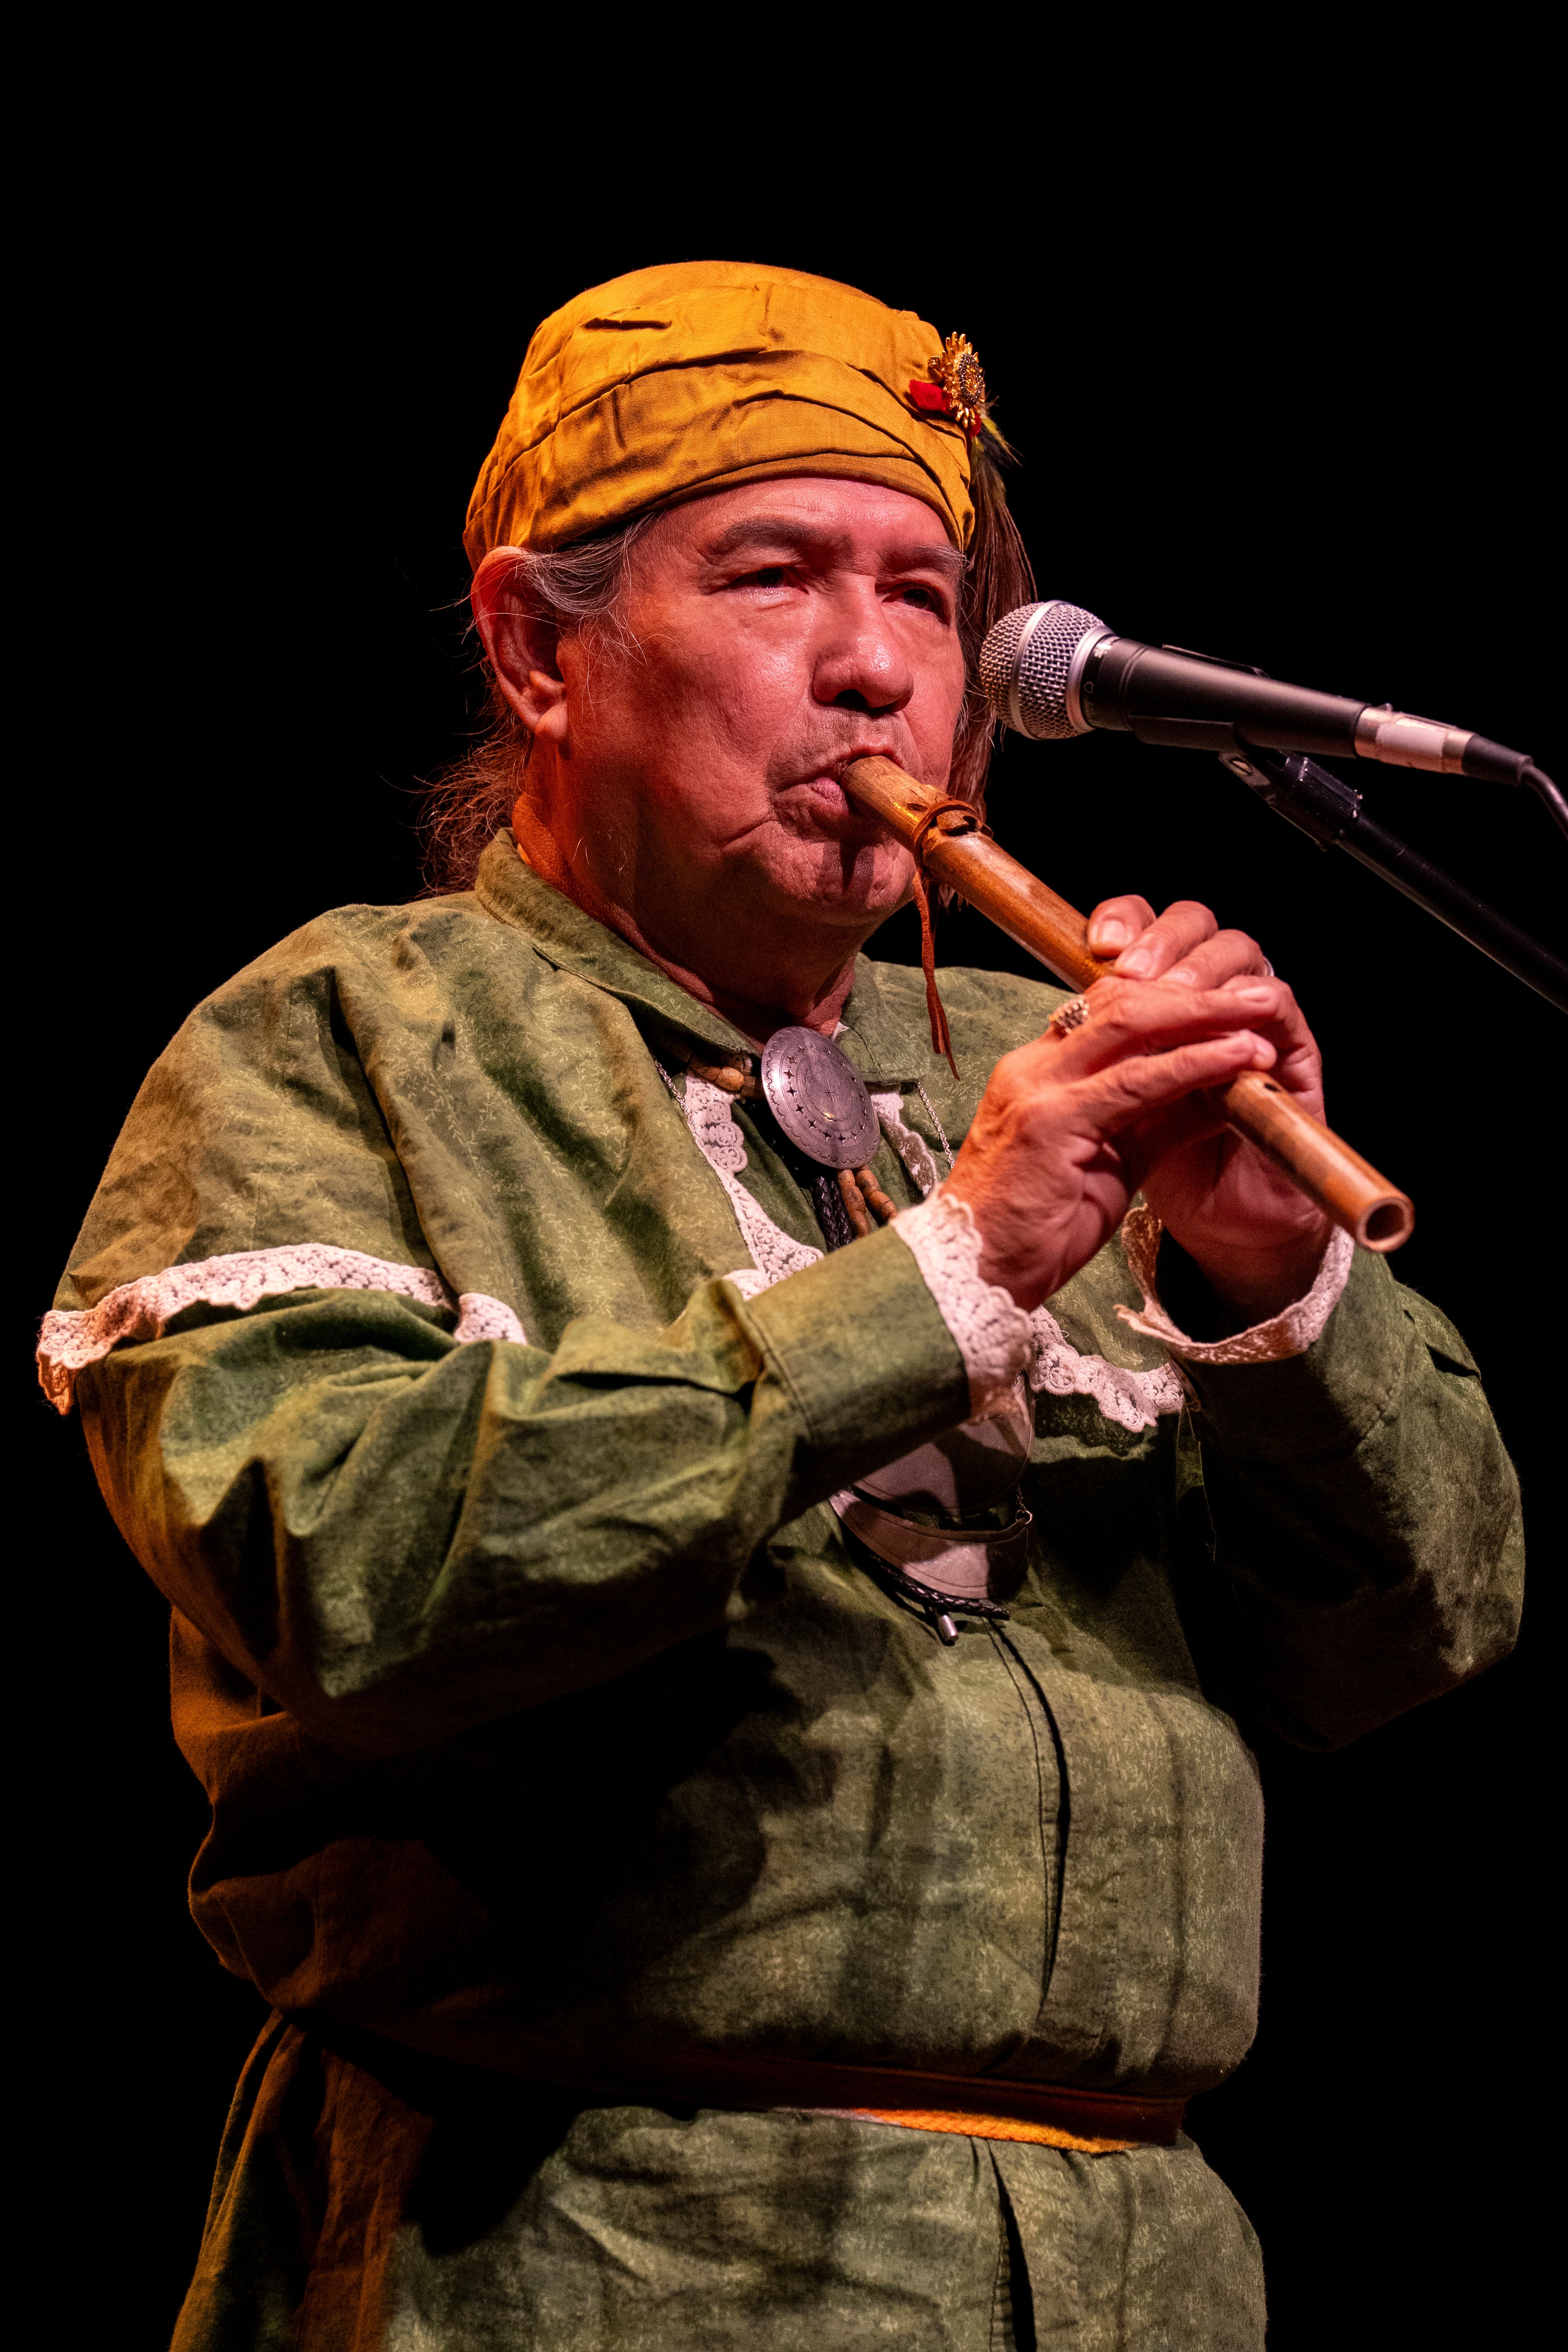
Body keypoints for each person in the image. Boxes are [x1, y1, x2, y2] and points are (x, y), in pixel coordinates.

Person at [40, 263, 1522, 2351]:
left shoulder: (1038, 1052)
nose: (877, 668)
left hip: (1140, 2274)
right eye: (773, 577)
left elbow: (1415, 1639)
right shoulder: (346, 1040)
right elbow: (345, 1570)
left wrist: (1269, 1283)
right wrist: (951, 1267)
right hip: (595, 2258)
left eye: (925, 596)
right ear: (538, 650)